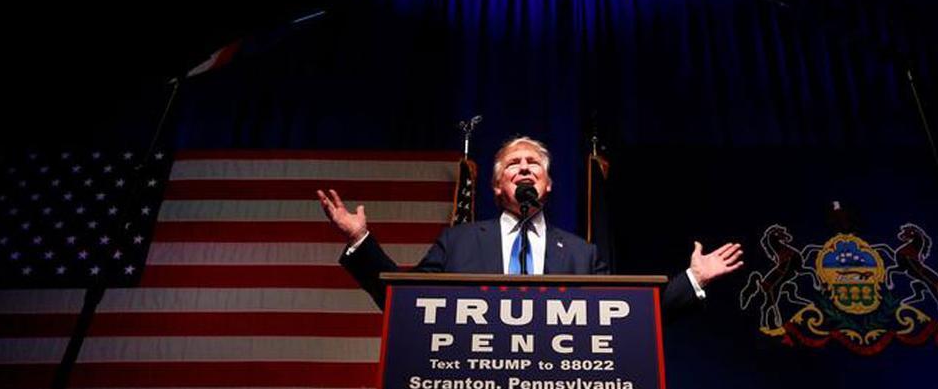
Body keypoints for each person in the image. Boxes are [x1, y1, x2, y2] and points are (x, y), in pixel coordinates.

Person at [317, 136, 744, 313]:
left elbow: (625, 314)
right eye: (513, 165)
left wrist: (691, 279)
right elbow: (407, 304)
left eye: (533, 163)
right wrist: (361, 241)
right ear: (497, 187)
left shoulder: (580, 253)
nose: (524, 169)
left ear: (548, 184)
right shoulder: (459, 240)